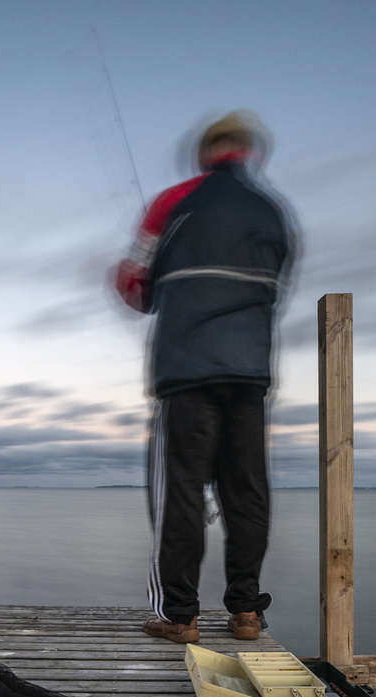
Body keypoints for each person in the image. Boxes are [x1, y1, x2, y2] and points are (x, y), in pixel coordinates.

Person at [114, 111, 293, 645]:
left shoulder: (174, 202)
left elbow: (133, 285)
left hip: (186, 370)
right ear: (250, 153)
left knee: (181, 493)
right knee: (246, 491)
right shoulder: (272, 212)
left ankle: (181, 616)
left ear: (204, 153)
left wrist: (165, 290)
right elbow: (275, 283)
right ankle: (246, 613)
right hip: (249, 371)